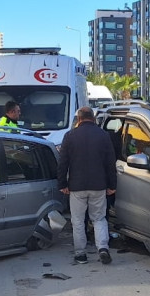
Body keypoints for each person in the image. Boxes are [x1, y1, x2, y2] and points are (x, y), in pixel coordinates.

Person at [58, 106, 117, 265]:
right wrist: (112, 185)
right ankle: (103, 248)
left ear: (79, 119)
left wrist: (62, 183)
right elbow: (110, 163)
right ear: (93, 118)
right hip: (99, 185)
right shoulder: (103, 136)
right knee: (99, 218)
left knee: (77, 220)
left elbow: (63, 163)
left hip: (76, 186)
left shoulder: (69, 136)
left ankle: (81, 254)